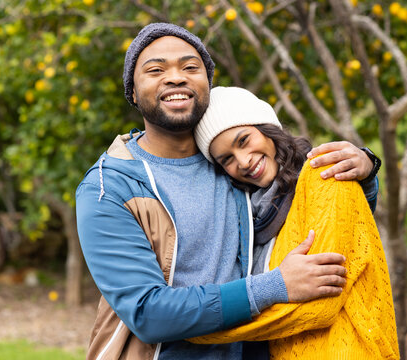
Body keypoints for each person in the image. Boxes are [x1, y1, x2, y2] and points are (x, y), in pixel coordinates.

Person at [76, 23, 381, 360]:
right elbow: (149, 313)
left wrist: (361, 171)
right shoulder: (110, 187)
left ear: (208, 84)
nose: (176, 77)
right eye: (156, 70)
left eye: (190, 67)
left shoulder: (229, 165)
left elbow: (309, 214)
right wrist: (274, 286)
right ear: (133, 92)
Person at [188, 86, 399, 359]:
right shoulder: (246, 215)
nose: (243, 161)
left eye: (244, 140)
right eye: (226, 158)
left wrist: (201, 328)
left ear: (268, 128)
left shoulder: (324, 175)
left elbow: (320, 305)